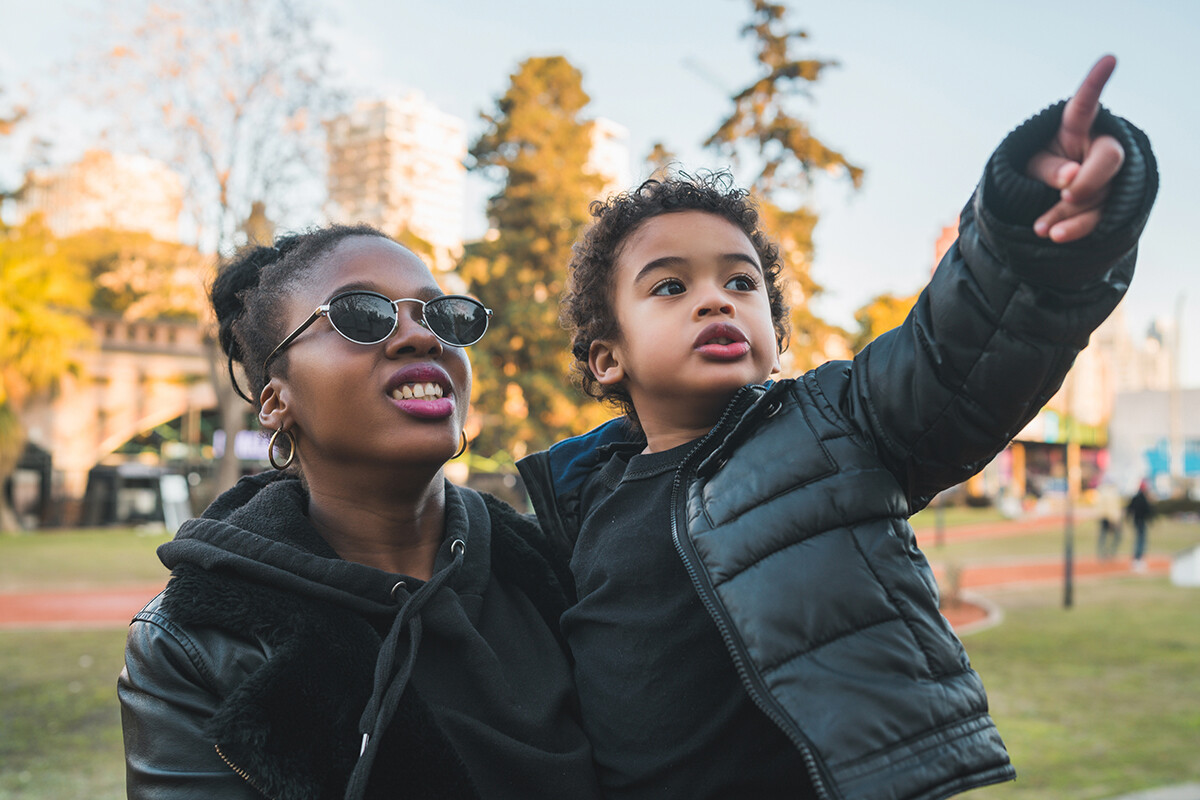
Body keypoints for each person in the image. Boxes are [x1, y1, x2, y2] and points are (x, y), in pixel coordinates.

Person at [517, 56, 1157, 800]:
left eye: (740, 280)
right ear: (606, 358)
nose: (715, 300)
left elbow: (958, 350)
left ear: (774, 329)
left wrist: (1031, 230)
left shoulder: (834, 428)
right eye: (670, 285)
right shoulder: (578, 504)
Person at [118, 225, 601, 799]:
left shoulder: (566, 566)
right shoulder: (189, 644)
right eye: (364, 315)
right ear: (276, 400)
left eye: (441, 316)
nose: (422, 337)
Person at [1127, 479, 1155, 571]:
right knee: (1141, 540)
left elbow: (1129, 509)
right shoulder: (1143, 498)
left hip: (1137, 521)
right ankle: (1138, 558)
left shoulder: (1136, 497)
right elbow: (1148, 511)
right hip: (1141, 522)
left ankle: (1137, 557)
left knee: (1139, 539)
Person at [1096, 480, 1124, 559]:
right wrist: (1113, 520)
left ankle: (1103, 553)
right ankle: (1109, 553)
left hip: (1104, 517)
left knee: (1103, 536)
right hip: (1109, 518)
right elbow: (1111, 508)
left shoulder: (1102, 492)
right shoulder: (1111, 493)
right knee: (1115, 536)